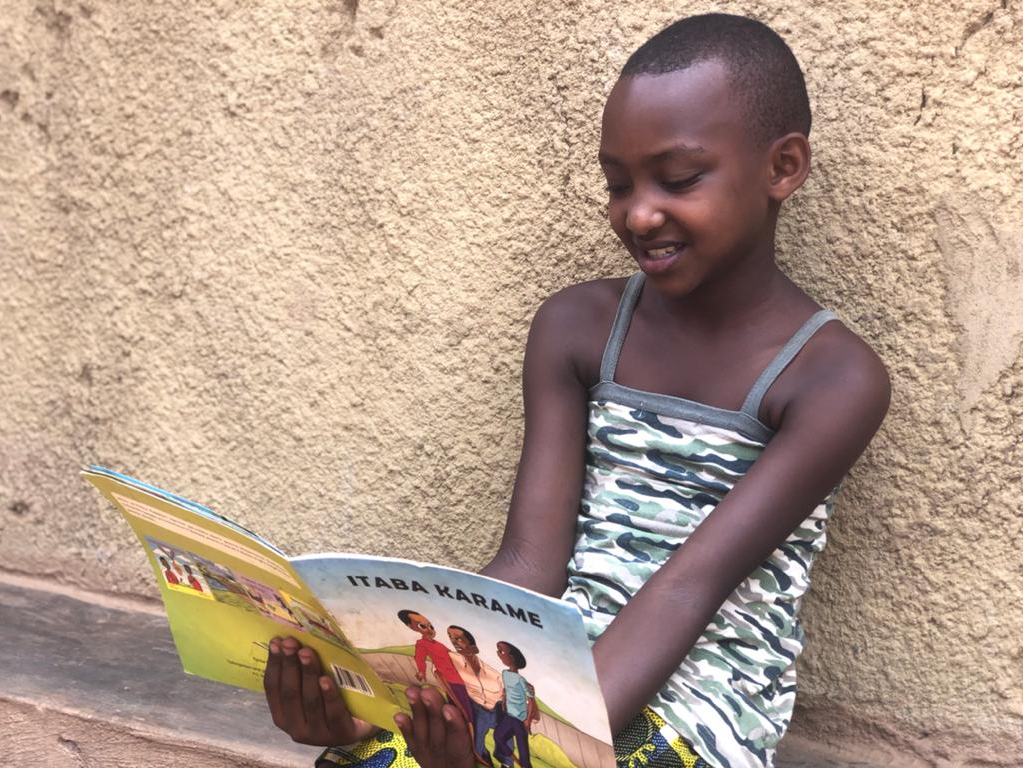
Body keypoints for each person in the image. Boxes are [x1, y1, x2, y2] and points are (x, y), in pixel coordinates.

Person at [263, 13, 890, 768]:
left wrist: (508, 750)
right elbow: (529, 567)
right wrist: (373, 706)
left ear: (783, 167)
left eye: (679, 179)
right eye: (617, 184)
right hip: (551, 674)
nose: (639, 212)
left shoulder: (833, 378)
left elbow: (690, 590)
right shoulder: (576, 327)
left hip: (699, 720)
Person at [397, 610, 475, 722]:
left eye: (430, 626)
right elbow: (419, 659)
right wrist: (421, 672)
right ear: (411, 627)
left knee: (462, 705)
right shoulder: (422, 644)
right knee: (464, 708)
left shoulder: (437, 643)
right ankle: (468, 729)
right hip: (451, 679)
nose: (429, 629)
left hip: (459, 678)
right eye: (422, 626)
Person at [446, 626, 504, 766]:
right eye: (451, 638)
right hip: (477, 709)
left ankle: (505, 763)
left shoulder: (493, 672)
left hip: (497, 709)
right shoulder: (452, 659)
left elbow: (502, 692)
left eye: (459, 638)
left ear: (469, 641)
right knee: (477, 744)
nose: (454, 642)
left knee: (505, 741)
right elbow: (440, 673)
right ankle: (486, 762)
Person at [491, 642, 537, 768]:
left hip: (519, 720)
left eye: (501, 651)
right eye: (498, 650)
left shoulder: (520, 680)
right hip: (509, 716)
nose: (498, 654)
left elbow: (530, 700)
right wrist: (504, 698)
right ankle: (513, 761)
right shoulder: (505, 673)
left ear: (512, 658)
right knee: (498, 736)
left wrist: (527, 720)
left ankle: (522, 764)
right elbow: (506, 688)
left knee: (524, 754)